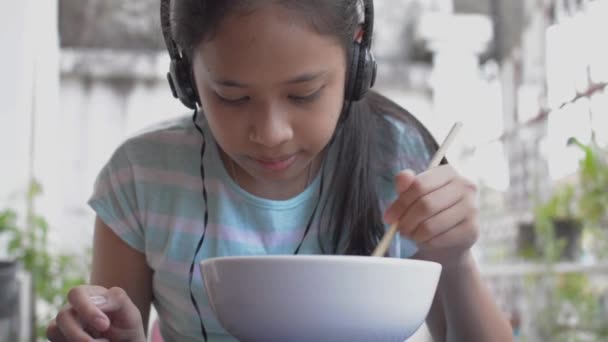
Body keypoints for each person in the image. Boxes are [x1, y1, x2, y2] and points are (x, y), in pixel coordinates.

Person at [46, 0, 512, 341]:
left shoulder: (397, 162)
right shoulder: (141, 179)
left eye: (304, 94)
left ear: (355, 62)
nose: (271, 134)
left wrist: (455, 260)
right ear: (187, 79)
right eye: (233, 97)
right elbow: (110, 327)